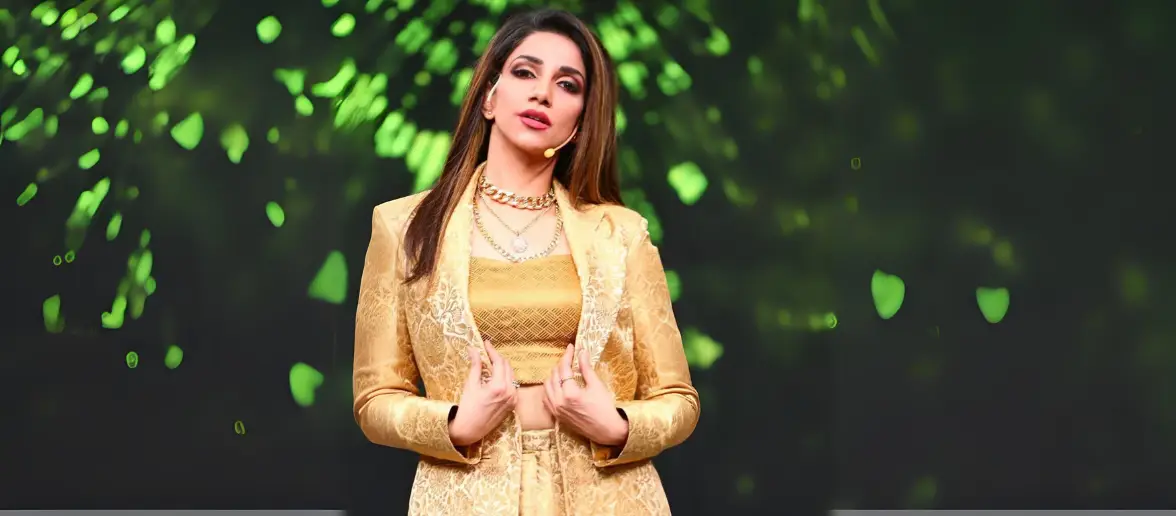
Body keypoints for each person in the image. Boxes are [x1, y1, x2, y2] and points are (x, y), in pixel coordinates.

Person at [352, 8, 700, 515]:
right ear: (489, 96)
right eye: (524, 72)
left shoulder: (621, 234)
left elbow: (679, 399)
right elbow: (374, 399)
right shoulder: (404, 227)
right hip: (466, 498)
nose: (543, 94)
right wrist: (456, 424)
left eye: (568, 84)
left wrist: (615, 425)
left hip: (609, 498)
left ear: (580, 123)